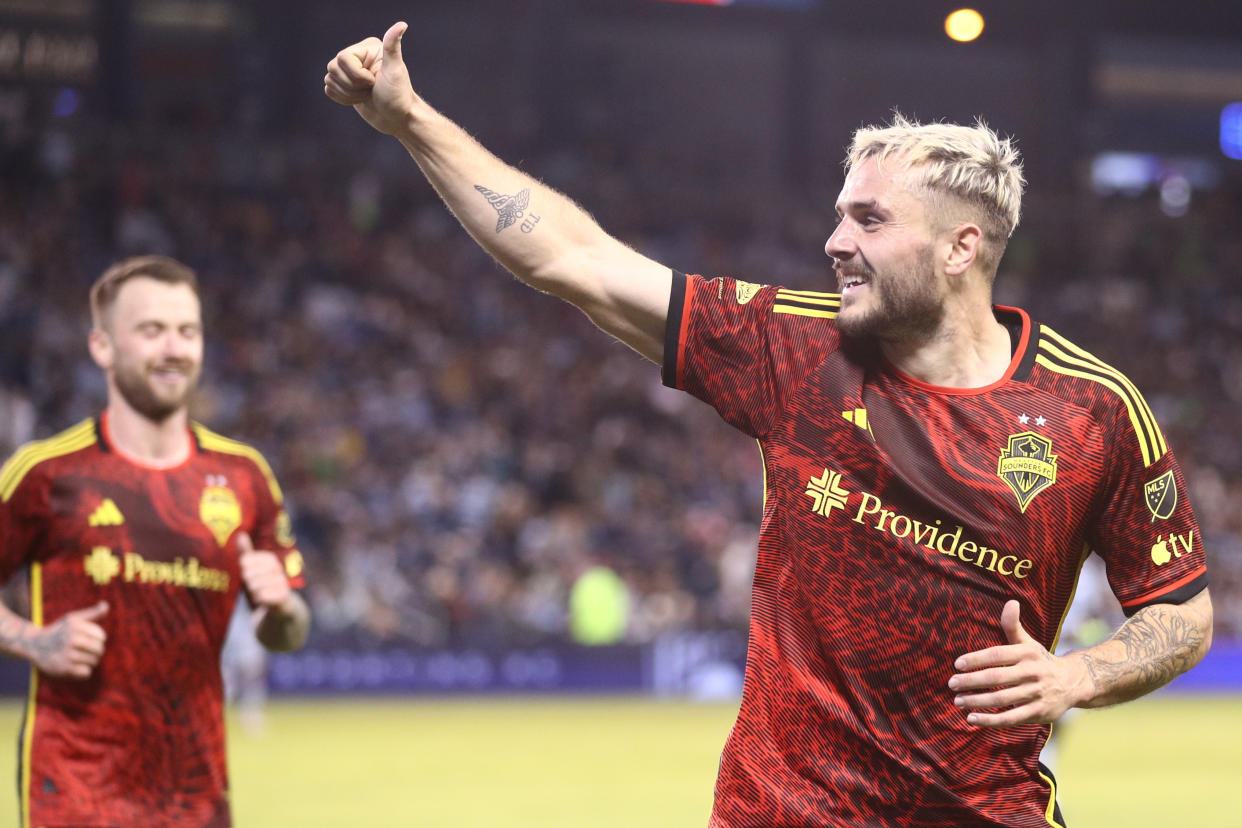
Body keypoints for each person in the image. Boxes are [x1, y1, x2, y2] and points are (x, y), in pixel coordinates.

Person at [324, 23, 1213, 827]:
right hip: (783, 811)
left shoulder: (1096, 412)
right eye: (838, 214)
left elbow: (1181, 610)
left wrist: (1080, 675)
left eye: (869, 219)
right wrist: (410, 120)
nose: (834, 241)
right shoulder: (791, 348)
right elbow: (572, 260)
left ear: (960, 248)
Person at [0, 255, 311, 828]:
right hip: (72, 794)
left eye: (187, 331)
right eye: (151, 330)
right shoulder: (46, 473)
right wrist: (33, 641)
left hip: (197, 798)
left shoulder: (245, 476)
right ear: (102, 347)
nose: (174, 347)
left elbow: (289, 632)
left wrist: (282, 607)